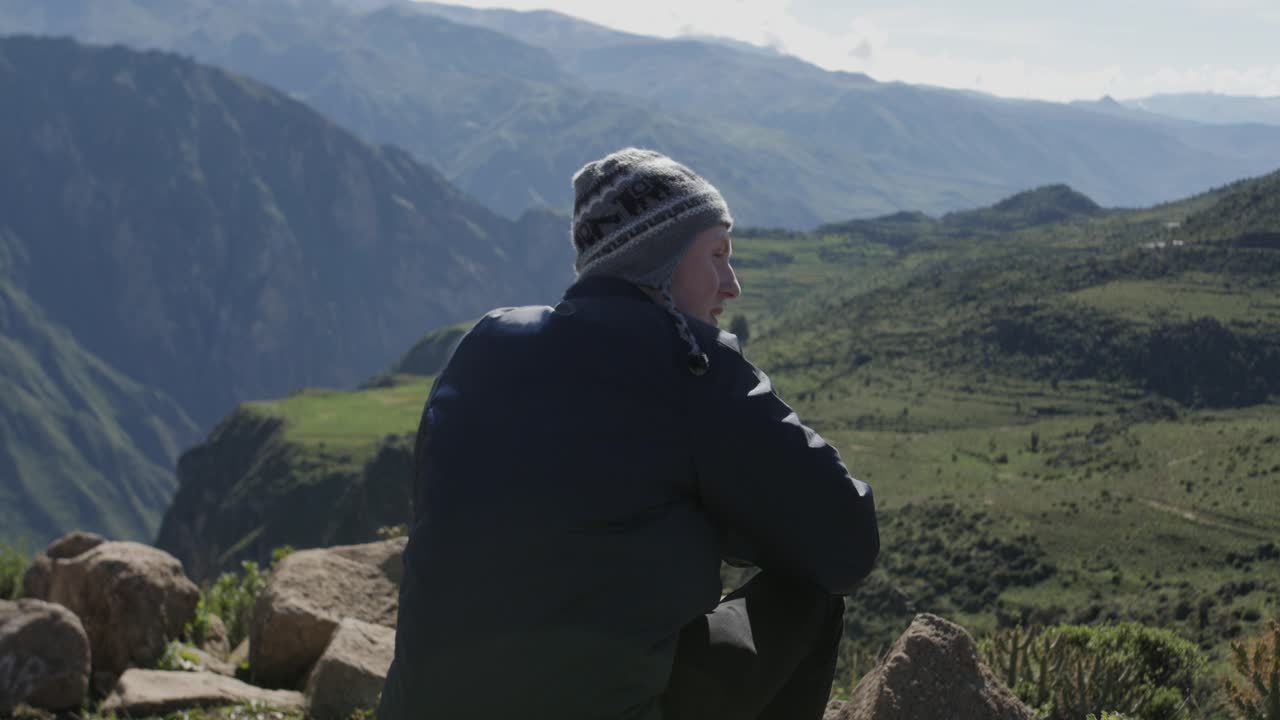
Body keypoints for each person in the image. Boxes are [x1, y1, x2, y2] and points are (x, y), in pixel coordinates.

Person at [378, 148, 879, 720]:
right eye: (717, 255)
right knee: (808, 594)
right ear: (659, 260)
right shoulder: (689, 364)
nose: (731, 285)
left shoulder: (483, 345)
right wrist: (722, 514)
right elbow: (847, 543)